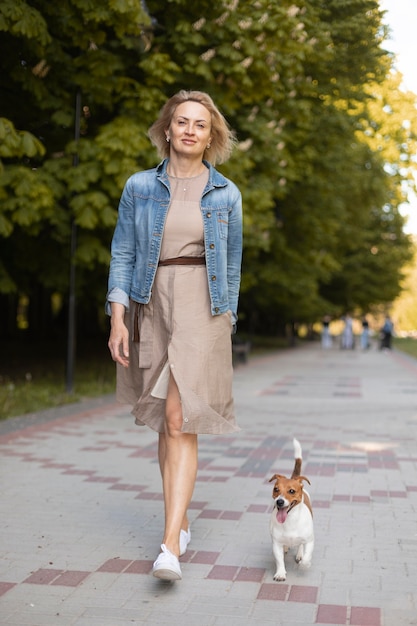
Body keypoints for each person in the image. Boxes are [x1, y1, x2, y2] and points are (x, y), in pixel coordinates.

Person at [106, 90, 243, 582]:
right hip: (150, 301)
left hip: (202, 306)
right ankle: (180, 520)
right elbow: (122, 253)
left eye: (200, 124)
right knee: (166, 423)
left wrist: (226, 318)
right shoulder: (139, 186)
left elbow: (232, 264)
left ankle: (168, 547)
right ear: (167, 129)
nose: (189, 130)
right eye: (181, 121)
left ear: (211, 136)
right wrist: (118, 317)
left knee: (180, 417)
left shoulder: (225, 193)